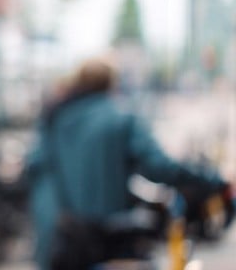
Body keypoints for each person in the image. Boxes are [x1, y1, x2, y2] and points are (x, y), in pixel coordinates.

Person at [26, 57, 230, 269]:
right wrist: (212, 179)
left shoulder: (54, 118)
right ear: (112, 84)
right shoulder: (120, 118)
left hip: (63, 242)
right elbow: (160, 168)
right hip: (107, 238)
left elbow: (35, 169)